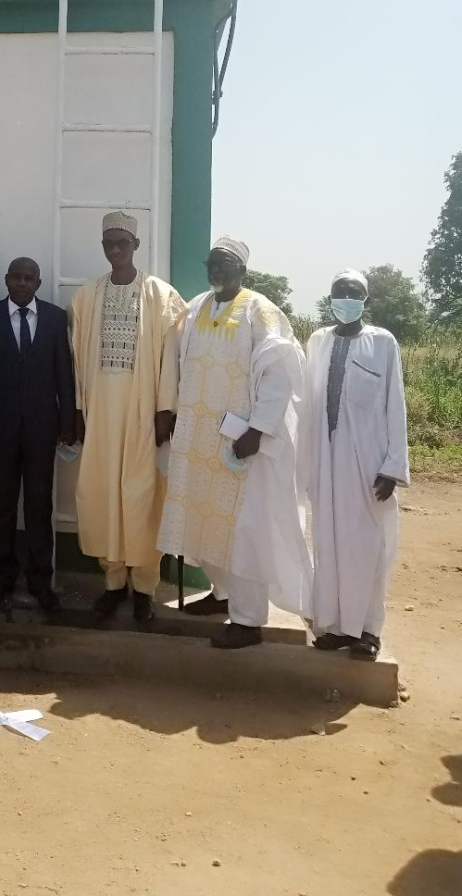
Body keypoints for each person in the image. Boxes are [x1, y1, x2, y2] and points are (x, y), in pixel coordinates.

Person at [158, 237, 312, 648]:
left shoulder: (260, 310)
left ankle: (248, 620)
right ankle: (223, 595)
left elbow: (279, 373)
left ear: (243, 269)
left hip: (237, 443)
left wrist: (258, 429)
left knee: (241, 529)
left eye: (226, 263)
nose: (217, 269)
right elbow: (174, 359)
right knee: (202, 520)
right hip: (196, 440)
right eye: (213, 262)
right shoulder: (196, 307)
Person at [69, 212, 187, 622]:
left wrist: (164, 409)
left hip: (142, 412)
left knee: (141, 495)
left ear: (136, 245)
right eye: (108, 243)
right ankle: (113, 583)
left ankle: (144, 588)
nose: (115, 250)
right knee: (102, 493)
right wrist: (81, 411)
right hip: (100, 412)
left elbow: (170, 361)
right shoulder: (86, 296)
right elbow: (77, 363)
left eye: (122, 242)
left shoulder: (161, 295)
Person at [301, 269, 409, 661]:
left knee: (366, 546)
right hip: (325, 461)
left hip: (368, 464)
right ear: (329, 297)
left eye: (354, 292)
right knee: (327, 543)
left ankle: (367, 630)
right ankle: (334, 627)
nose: (346, 297)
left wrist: (393, 465)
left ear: (366, 300)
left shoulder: (382, 342)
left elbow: (394, 403)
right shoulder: (318, 341)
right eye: (339, 291)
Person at [0, 257, 76, 612]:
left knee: (38, 505)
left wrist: (67, 421)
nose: (21, 283)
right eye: (15, 277)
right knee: (2, 507)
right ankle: (2, 578)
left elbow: (64, 373)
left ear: (38, 282)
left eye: (29, 277)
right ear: (6, 280)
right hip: (0, 429)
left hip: (42, 429)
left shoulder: (55, 318)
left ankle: (40, 579)